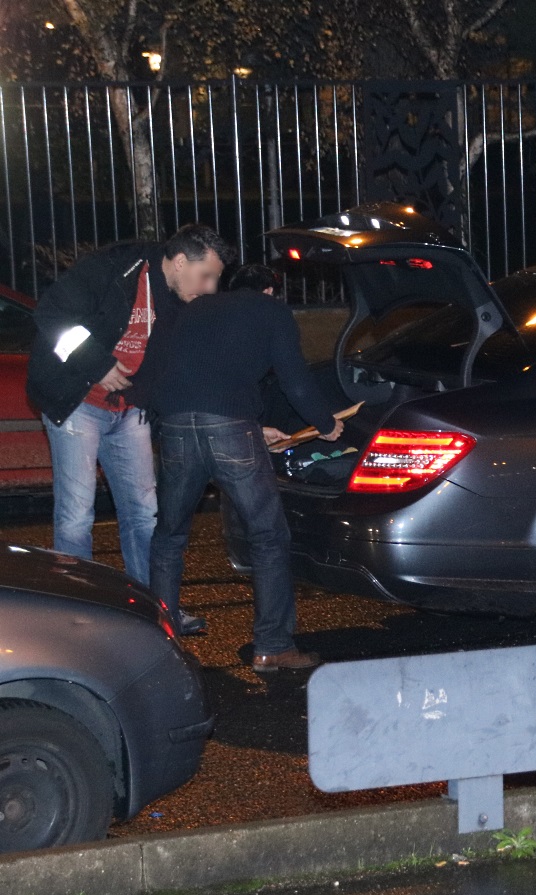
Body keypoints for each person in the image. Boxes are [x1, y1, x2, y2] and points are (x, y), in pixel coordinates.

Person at [26, 225, 233, 635]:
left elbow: (179, 361)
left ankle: (156, 608)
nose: (210, 288)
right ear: (178, 262)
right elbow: (50, 315)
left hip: (130, 409)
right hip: (78, 403)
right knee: (76, 514)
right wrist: (97, 365)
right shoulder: (114, 270)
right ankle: (76, 611)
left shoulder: (181, 298)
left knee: (143, 512)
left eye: (216, 279)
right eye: (205, 276)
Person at [149, 263, 343, 673]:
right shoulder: (270, 312)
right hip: (230, 428)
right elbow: (295, 379)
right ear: (270, 290)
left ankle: (160, 647)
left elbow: (183, 372)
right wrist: (326, 424)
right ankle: (272, 646)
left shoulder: (191, 310)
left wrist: (252, 425)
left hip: (175, 424)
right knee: (269, 535)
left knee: (169, 537)